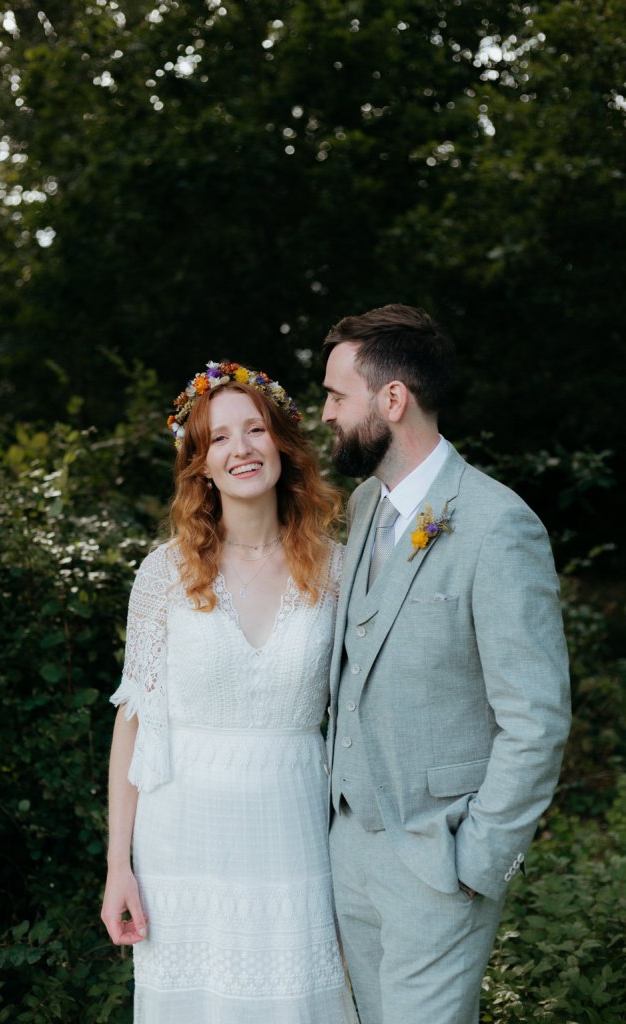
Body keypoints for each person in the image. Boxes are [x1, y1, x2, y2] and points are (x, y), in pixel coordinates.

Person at [320, 305, 571, 1024]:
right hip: (347, 852)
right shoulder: (365, 504)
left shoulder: (498, 526)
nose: (327, 412)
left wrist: (477, 862)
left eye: (338, 395)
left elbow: (536, 719)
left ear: (391, 398)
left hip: (437, 860)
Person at [101, 361, 358, 1023]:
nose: (240, 448)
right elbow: (134, 722)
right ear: (200, 464)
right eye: (218, 438)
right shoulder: (164, 572)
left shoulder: (339, 569)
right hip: (180, 842)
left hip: (295, 833)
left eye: (254, 430)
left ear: (283, 443)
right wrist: (117, 867)